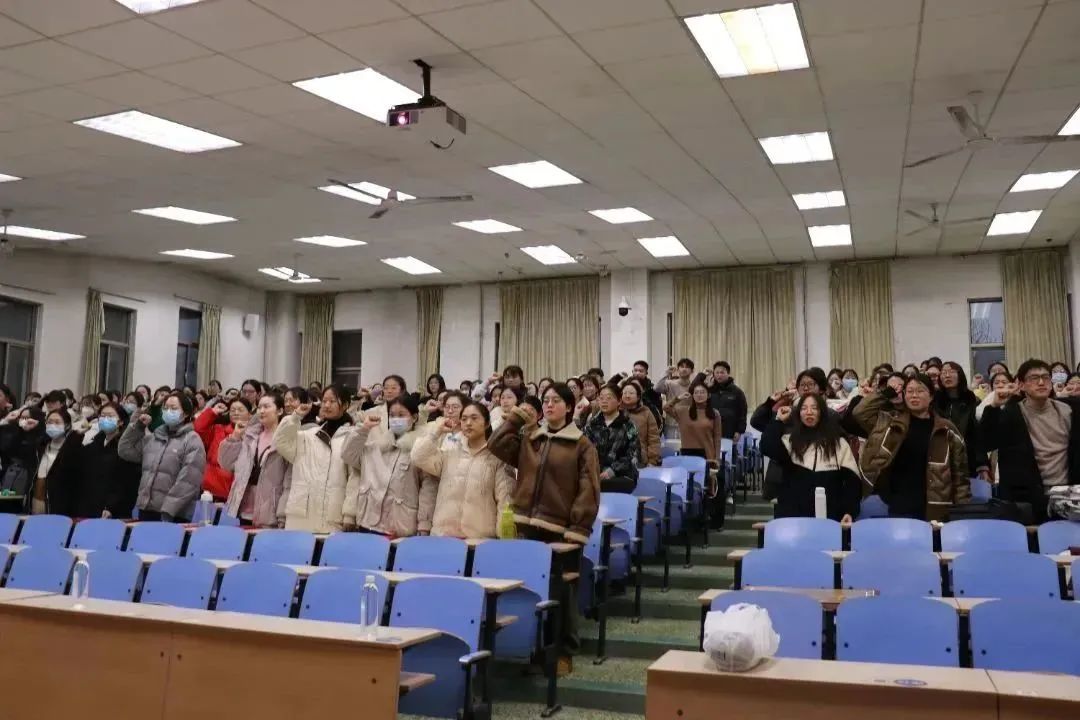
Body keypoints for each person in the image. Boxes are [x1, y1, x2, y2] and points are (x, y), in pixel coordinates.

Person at [488, 382, 600, 673]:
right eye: (546, 400)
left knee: (562, 593)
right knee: (530, 590)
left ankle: (564, 651)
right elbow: (496, 444)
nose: (549, 405)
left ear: (569, 406)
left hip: (560, 532)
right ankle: (534, 648)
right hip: (527, 526)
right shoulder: (531, 438)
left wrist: (576, 531)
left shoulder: (582, 445)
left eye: (556, 400)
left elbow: (588, 490)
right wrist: (515, 419)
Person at [852, 373, 969, 521]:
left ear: (931, 396)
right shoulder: (891, 422)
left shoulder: (946, 429)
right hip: (898, 503)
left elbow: (960, 475)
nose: (914, 395)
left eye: (920, 391)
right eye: (910, 391)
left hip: (935, 506)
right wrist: (886, 393)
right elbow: (860, 412)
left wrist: (962, 511)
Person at [980, 359, 1080, 523]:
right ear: (1021, 385)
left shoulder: (1068, 411)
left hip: (1067, 495)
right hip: (1028, 498)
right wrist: (994, 407)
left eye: (1045, 377)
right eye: (1034, 378)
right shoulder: (1011, 414)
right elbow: (987, 441)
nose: (1041, 382)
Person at [412, 400, 514, 538]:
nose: (468, 423)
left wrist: (504, 539)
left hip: (479, 540)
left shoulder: (497, 459)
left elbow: (505, 503)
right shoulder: (449, 454)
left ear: (487, 423)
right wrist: (437, 432)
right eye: (464, 419)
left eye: (474, 418)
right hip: (443, 537)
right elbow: (417, 457)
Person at [340, 395, 434, 536]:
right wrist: (363, 429)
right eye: (392, 415)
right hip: (368, 523)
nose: (395, 419)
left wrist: (424, 524)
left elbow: (428, 489)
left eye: (401, 415)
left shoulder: (419, 448)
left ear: (414, 417)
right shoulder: (377, 446)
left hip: (400, 526)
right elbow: (348, 455)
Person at [761, 394, 863, 521]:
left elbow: (852, 483)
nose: (809, 412)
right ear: (799, 414)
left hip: (831, 518)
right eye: (804, 408)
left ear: (822, 413)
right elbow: (767, 447)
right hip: (793, 517)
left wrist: (849, 511)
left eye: (814, 408)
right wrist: (778, 420)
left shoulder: (839, 444)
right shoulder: (790, 441)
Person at [274, 384, 354, 532]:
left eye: (332, 401)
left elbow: (354, 480)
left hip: (332, 516)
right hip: (301, 516)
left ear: (345, 405)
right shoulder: (308, 435)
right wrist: (295, 417)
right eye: (324, 401)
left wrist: (349, 515)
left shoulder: (351, 437)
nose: (327, 405)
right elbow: (280, 441)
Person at [119, 392, 206, 522]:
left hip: (174, 514)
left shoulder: (192, 440)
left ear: (186, 413)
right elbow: (125, 450)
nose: (168, 411)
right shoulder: (155, 437)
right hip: (147, 509)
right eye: (165, 408)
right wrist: (138, 426)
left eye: (174, 408)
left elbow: (188, 481)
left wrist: (168, 510)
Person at [219, 392, 292, 527]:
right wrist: (235, 437)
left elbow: (289, 482)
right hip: (244, 508)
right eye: (259, 407)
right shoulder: (250, 436)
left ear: (280, 411)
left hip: (270, 511)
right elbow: (226, 464)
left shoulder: (286, 440)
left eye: (266, 407)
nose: (261, 411)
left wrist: (282, 514)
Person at [64, 403, 141, 519]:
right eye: (102, 416)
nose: (105, 419)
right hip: (89, 507)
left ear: (120, 422)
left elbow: (127, 483)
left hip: (113, 511)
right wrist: (77, 435)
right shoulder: (95, 443)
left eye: (110, 416)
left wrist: (111, 507)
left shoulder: (125, 448)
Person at [580, 383, 640, 492]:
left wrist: (612, 471)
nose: (604, 401)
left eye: (608, 398)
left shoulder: (628, 425)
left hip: (621, 475)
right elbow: (584, 451)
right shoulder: (591, 425)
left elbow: (633, 454)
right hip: (595, 473)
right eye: (601, 398)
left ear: (619, 401)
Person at [934, 361, 989, 480]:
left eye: (951, 372)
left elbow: (977, 435)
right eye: (943, 372)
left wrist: (982, 465)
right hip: (939, 461)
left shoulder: (972, 400)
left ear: (960, 375)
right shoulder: (935, 401)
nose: (947, 375)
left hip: (966, 461)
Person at [194, 396, 253, 503]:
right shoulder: (218, 429)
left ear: (250, 414)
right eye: (232, 410)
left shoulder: (254, 436)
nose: (236, 413)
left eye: (240, 410)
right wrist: (212, 412)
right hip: (211, 491)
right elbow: (198, 429)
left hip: (238, 495)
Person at [664, 380, 722, 463]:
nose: (699, 395)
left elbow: (717, 438)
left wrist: (717, 458)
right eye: (696, 392)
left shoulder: (714, 413)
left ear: (708, 395)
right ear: (693, 396)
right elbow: (666, 408)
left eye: (702, 392)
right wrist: (677, 399)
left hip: (708, 455)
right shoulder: (683, 411)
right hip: (687, 455)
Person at [705, 361, 747, 442]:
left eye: (722, 372)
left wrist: (739, 431)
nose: (719, 375)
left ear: (728, 373)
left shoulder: (737, 392)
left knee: (727, 450)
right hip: (710, 431)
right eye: (717, 372)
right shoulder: (709, 390)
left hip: (729, 432)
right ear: (713, 374)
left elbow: (742, 412)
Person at [621, 380, 660, 467]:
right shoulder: (617, 412)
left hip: (640, 459)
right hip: (618, 460)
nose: (627, 396)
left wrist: (652, 461)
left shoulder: (646, 412)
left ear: (638, 397)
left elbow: (654, 439)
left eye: (631, 393)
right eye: (624, 393)